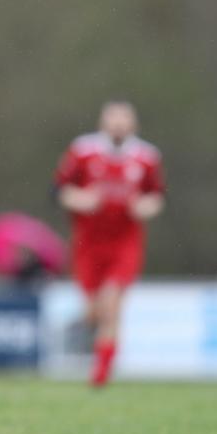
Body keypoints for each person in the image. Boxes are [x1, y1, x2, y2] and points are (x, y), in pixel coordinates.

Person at [54, 101, 165, 387]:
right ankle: (86, 329)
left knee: (112, 304)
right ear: (103, 123)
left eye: (123, 120)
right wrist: (80, 199)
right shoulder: (82, 151)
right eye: (113, 119)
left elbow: (157, 197)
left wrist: (145, 207)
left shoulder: (147, 157)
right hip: (87, 243)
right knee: (94, 311)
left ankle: (101, 373)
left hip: (124, 244)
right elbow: (58, 191)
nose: (118, 125)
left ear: (133, 124)